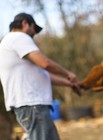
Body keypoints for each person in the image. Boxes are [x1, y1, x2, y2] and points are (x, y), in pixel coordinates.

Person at [0, 12, 81, 140]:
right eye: (34, 29)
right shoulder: (18, 37)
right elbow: (45, 63)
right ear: (25, 23)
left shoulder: (11, 43)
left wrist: (69, 84)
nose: (34, 34)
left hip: (30, 106)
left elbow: (44, 75)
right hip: (32, 106)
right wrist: (68, 73)